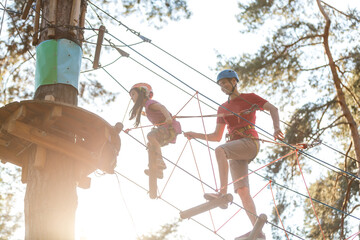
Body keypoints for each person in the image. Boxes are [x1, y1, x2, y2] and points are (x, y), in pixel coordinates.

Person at [184, 69, 283, 240]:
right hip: (234, 148)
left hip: (250, 142)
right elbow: (216, 136)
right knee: (242, 191)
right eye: (220, 84)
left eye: (225, 83)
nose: (223, 87)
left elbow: (272, 109)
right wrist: (195, 134)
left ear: (234, 81)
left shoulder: (250, 98)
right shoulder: (222, 108)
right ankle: (257, 232)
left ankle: (222, 194)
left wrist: (276, 128)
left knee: (220, 151)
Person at [129, 83, 181, 179]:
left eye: (133, 94)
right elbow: (150, 113)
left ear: (141, 94)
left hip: (169, 127)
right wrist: (141, 113)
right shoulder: (147, 107)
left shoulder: (150, 103)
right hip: (166, 129)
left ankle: (160, 161)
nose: (131, 97)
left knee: (151, 136)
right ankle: (157, 170)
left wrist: (168, 117)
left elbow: (162, 107)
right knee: (150, 145)